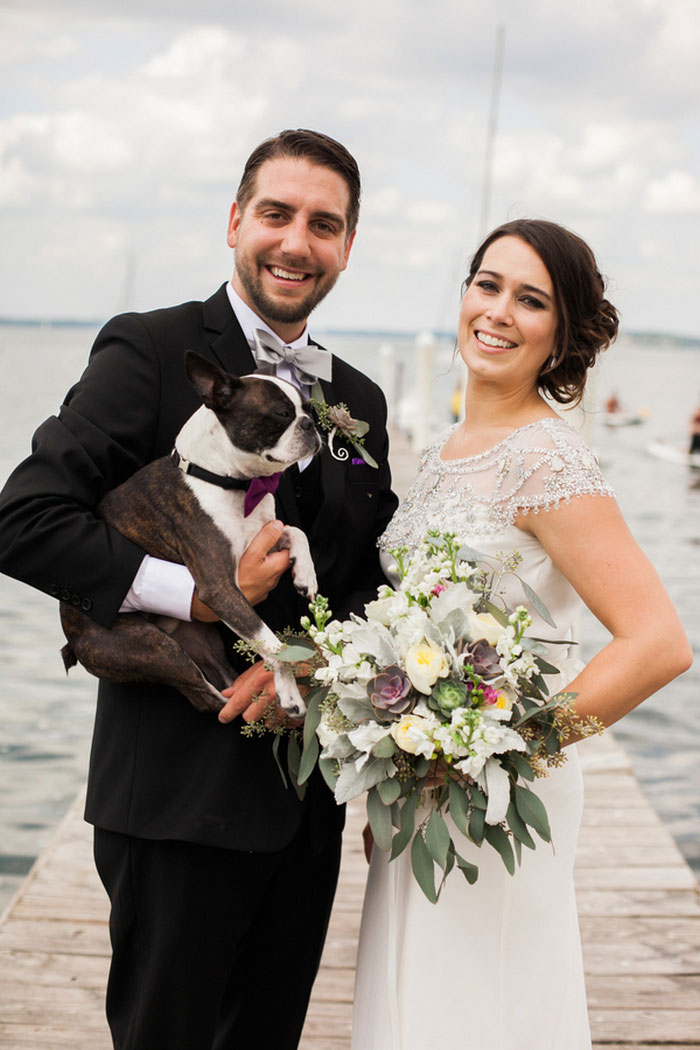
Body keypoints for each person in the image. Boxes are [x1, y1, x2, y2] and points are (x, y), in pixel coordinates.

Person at [0, 129, 398, 1050]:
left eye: (325, 224)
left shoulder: (359, 400)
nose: (298, 241)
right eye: (277, 213)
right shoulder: (151, 349)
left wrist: (338, 678)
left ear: (347, 245)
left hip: (307, 812)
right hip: (175, 804)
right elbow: (26, 520)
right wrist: (198, 594)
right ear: (234, 222)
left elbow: (360, 583)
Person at [351, 219, 692, 1050]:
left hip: (495, 791)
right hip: (423, 795)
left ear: (561, 334)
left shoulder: (547, 460)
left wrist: (507, 750)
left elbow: (658, 642)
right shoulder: (439, 455)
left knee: (482, 1005)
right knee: (415, 1001)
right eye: (488, 284)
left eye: (530, 300)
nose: (499, 311)